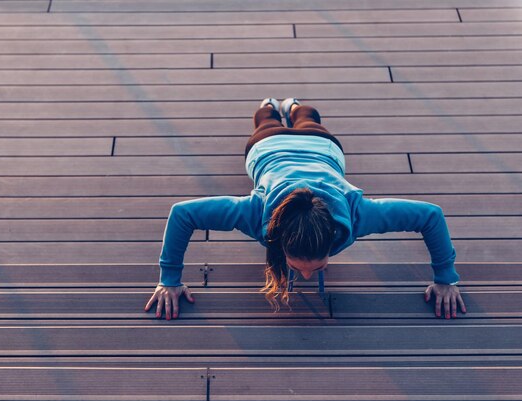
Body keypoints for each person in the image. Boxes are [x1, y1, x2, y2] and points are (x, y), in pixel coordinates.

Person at [144, 98, 467, 321]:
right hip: (269, 146)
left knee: (308, 119)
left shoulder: (357, 215)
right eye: (301, 266)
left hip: (320, 146)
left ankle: (293, 106)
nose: (308, 275)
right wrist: (168, 280)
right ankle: (271, 106)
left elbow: (430, 216)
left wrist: (445, 279)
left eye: (314, 266)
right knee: (265, 120)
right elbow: (182, 214)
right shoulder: (256, 212)